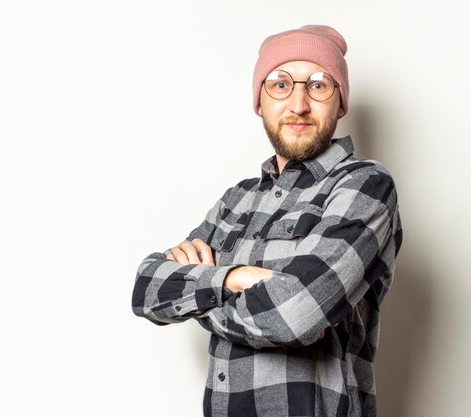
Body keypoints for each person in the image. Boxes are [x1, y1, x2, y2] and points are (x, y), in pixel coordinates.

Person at [131, 25, 402, 417]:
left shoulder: (365, 186)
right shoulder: (237, 200)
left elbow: (295, 316)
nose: (298, 104)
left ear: (341, 102)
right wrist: (234, 278)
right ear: (259, 100)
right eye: (279, 85)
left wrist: (198, 293)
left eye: (318, 85)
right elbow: (145, 288)